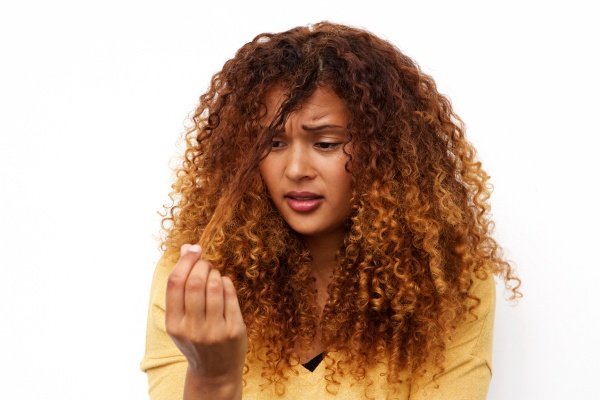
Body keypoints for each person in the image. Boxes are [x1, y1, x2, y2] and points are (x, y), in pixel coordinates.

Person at [140, 21, 521, 400]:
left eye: (324, 143)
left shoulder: (449, 284)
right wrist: (212, 378)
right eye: (273, 143)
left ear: (382, 153)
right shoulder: (192, 282)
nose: (295, 170)